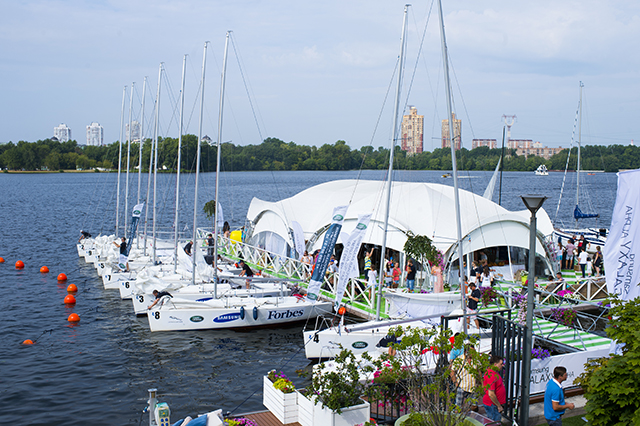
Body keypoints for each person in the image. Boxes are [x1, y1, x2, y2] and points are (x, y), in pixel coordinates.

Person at [482, 355, 506, 422]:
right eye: (501, 364)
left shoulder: (494, 372)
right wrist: (499, 406)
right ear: (495, 364)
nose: (502, 365)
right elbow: (491, 394)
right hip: (492, 405)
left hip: (494, 404)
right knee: (494, 422)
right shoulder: (491, 375)